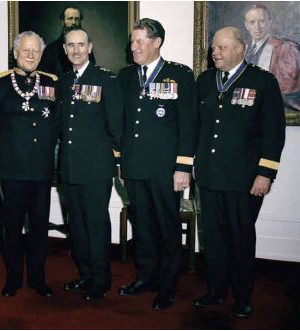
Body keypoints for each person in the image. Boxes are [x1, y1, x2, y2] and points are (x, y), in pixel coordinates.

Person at [193, 26, 285, 318]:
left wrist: (265, 173)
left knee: (241, 239)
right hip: (209, 176)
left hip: (243, 179)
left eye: (221, 47)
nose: (215, 53)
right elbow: (199, 127)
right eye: (213, 48)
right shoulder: (206, 81)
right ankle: (215, 290)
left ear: (240, 49)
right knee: (214, 239)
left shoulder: (262, 81)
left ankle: (243, 296)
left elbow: (273, 132)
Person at [116, 18, 196, 310]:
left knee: (167, 227)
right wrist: (122, 163)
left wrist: (183, 166)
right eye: (132, 41)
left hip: (166, 170)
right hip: (135, 167)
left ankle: (167, 285)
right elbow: (122, 123)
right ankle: (146, 277)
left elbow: (188, 123)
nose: (133, 46)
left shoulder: (179, 75)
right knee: (144, 227)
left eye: (139, 41)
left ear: (157, 42)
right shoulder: (125, 76)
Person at [0, 31, 58, 298]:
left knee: (39, 228)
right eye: (25, 50)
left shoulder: (50, 83)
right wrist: (0, 153)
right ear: (15, 53)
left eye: (36, 51)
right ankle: (13, 278)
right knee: (11, 228)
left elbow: (57, 124)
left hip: (40, 171)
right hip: (11, 171)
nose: (30, 55)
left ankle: (38, 279)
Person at [58, 27, 122, 301]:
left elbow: (116, 127)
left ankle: (101, 279)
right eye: (70, 45)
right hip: (69, 167)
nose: (76, 50)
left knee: (95, 224)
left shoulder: (105, 79)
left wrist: (116, 162)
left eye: (81, 45)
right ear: (64, 49)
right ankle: (85, 274)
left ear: (90, 46)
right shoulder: (61, 82)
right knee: (77, 225)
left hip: (96, 168)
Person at [243, 4, 300, 111]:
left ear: (270, 22)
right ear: (246, 25)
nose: (257, 27)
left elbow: (287, 86)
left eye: (262, 21)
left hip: (276, 109)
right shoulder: (243, 48)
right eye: (252, 22)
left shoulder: (285, 48)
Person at [38, 6, 96, 77]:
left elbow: (92, 74)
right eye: (70, 18)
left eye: (77, 19)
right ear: (63, 22)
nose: (74, 22)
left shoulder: (86, 48)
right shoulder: (51, 50)